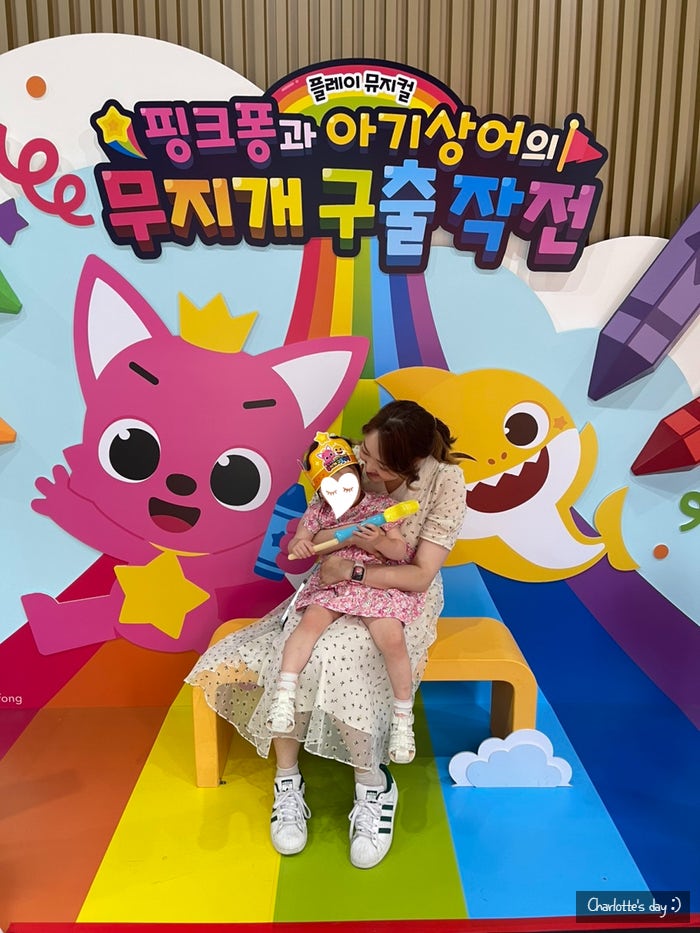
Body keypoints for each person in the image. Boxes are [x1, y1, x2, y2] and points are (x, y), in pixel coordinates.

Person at [185, 399, 466, 869]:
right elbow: (318, 525)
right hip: (333, 583)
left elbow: (418, 575)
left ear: (412, 463)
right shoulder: (350, 462)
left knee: (343, 655)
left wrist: (353, 570)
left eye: (379, 463)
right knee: (297, 646)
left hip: (396, 591)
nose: (366, 465)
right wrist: (321, 548)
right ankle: (287, 778)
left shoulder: (446, 482)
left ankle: (372, 784)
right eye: (365, 452)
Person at [267, 432, 425, 765]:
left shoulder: (381, 507)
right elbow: (300, 542)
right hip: (333, 582)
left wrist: (379, 542)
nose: (339, 489)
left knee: (392, 638)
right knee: (308, 626)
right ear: (319, 489)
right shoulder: (318, 512)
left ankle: (402, 718)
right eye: (330, 486)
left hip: (373, 583)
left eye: (346, 479)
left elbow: (399, 551)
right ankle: (284, 694)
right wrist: (301, 545)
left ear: (358, 471)